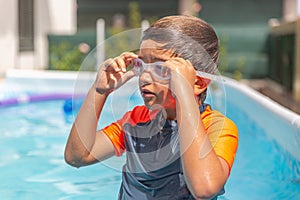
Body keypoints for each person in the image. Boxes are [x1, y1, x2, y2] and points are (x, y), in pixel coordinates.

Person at [64, 15, 238, 200]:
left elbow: (204, 189)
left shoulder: (217, 127)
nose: (144, 78)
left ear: (199, 82)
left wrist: (184, 93)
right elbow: (77, 156)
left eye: (160, 68)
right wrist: (99, 91)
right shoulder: (138, 120)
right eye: (141, 64)